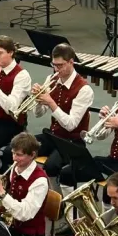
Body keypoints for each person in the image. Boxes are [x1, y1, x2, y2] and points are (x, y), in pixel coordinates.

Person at [35, 43, 95, 183]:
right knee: (21, 148)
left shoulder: (84, 89)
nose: (56, 69)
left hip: (72, 142)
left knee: (51, 166)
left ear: (71, 62)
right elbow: (38, 114)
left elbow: (71, 125)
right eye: (54, 64)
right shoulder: (51, 80)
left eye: (60, 65)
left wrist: (51, 103)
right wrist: (38, 100)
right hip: (53, 135)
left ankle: (55, 196)